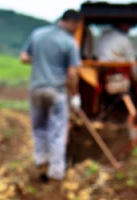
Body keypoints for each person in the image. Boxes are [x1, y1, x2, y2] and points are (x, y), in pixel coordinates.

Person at [20, 10, 82, 182]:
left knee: (39, 127)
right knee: (57, 131)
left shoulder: (38, 34)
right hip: (56, 91)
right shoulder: (69, 43)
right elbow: (72, 73)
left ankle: (41, 162)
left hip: (36, 89)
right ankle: (56, 173)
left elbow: (24, 58)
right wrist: (75, 95)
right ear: (72, 22)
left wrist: (40, 60)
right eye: (77, 26)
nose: (77, 29)